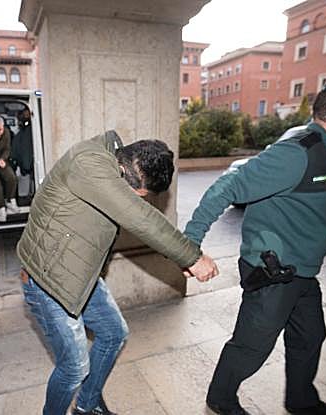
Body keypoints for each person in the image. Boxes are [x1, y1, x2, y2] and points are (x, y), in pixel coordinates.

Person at [184, 68, 326, 415]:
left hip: (301, 272)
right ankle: (220, 399)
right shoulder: (299, 152)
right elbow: (227, 186)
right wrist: (190, 245)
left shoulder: (325, 150)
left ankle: (301, 401)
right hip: (274, 273)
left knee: (310, 335)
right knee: (252, 345)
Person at [16, 130, 217, 415]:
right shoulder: (88, 162)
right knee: (74, 368)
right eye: (138, 196)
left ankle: (87, 405)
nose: (138, 201)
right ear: (124, 174)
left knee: (113, 334)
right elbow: (138, 217)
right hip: (48, 280)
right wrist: (192, 257)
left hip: (82, 273)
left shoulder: (114, 163)